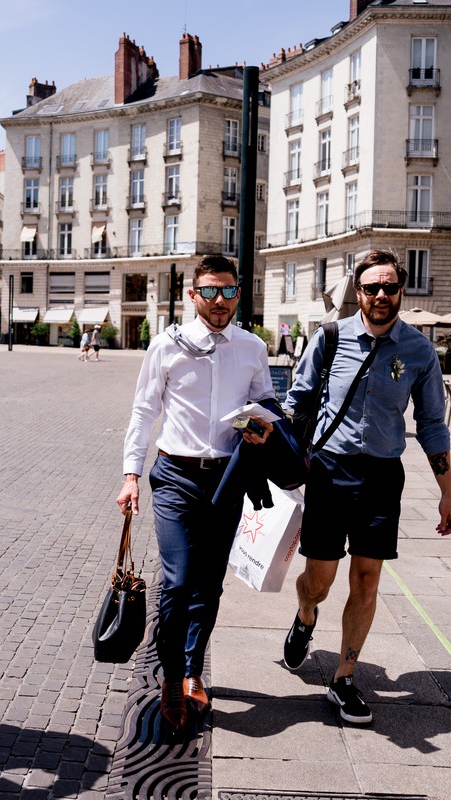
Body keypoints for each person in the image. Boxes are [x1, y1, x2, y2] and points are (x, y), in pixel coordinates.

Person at [281, 249, 451, 726]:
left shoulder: (419, 350)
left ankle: (343, 678)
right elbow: (296, 401)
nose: (381, 295)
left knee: (367, 580)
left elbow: (432, 424)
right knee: (319, 582)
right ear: (358, 293)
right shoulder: (331, 338)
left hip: (382, 476)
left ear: (403, 290)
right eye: (372, 288)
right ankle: (304, 615)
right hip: (329, 471)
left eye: (390, 287)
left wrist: (447, 492)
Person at [116, 254, 275, 730]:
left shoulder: (252, 347)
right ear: (193, 295)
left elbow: (265, 401)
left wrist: (260, 426)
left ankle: (191, 671)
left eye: (227, 291)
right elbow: (144, 411)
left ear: (238, 294)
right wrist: (131, 474)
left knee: (209, 584)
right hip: (176, 476)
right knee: (180, 581)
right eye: (209, 291)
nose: (218, 300)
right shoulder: (168, 346)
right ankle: (168, 678)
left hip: (227, 477)